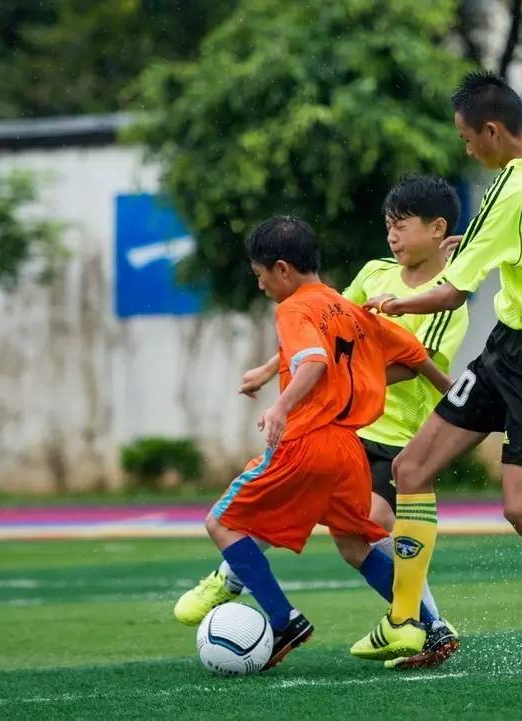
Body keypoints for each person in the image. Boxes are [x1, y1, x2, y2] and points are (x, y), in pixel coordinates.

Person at [350, 72, 522, 674]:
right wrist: (499, 245)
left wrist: (390, 304)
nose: (467, 149)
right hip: (504, 346)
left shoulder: (507, 189)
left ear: (491, 131)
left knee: (520, 506)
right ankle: (406, 623)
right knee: (412, 468)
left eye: (468, 138)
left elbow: (449, 292)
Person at [175, 176, 470, 669]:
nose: (261, 284)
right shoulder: (346, 307)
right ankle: (430, 625)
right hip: (348, 451)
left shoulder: (294, 309)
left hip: (308, 441)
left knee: (222, 523)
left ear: (283, 269)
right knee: (356, 544)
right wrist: (456, 395)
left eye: (260, 275)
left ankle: (282, 618)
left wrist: (280, 407)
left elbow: (312, 361)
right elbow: (414, 352)